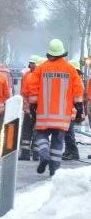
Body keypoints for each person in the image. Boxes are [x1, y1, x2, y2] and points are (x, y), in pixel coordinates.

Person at [29, 39, 84, 176]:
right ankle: (54, 171)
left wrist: (32, 105)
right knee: (58, 143)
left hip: (44, 113)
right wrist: (79, 107)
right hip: (62, 115)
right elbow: (78, 90)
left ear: (50, 53)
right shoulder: (70, 69)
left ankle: (44, 155)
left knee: (40, 136)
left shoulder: (41, 68)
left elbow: (33, 88)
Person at [19, 55, 41, 161]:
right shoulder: (44, 76)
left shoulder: (29, 76)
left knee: (27, 131)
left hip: (30, 109)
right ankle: (36, 153)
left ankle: (26, 153)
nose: (31, 65)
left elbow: (24, 92)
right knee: (38, 131)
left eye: (32, 63)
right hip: (40, 110)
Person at [62, 60, 84, 161]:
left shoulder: (77, 81)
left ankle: (73, 153)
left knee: (69, 133)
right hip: (70, 110)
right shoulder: (75, 80)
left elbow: (77, 98)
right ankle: (68, 151)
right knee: (67, 133)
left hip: (72, 111)